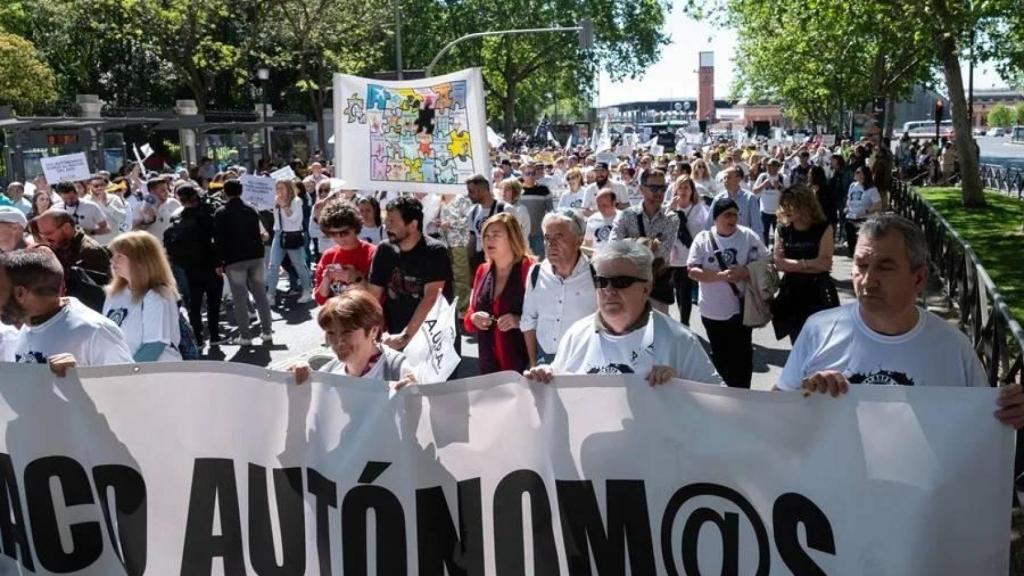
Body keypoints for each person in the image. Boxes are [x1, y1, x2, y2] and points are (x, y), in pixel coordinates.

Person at [778, 214, 1024, 429]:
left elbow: (985, 429)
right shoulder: (818, 330)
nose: (867, 280)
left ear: (919, 278)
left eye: (884, 268)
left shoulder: (954, 349)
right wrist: (804, 398)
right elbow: (773, 412)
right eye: (861, 265)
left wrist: (1014, 413)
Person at [524, 241, 720, 386]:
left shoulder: (679, 340)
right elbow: (559, 392)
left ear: (646, 289)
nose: (609, 290)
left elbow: (719, 400)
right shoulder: (576, 334)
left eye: (620, 282)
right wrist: (547, 376)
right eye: (601, 281)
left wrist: (681, 387)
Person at [0, 247, 132, 371]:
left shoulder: (96, 332)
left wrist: (82, 376)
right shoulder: (29, 325)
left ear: (20, 293)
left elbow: (132, 390)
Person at [688, 197, 768, 388]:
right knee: (721, 355)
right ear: (716, 218)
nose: (733, 219)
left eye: (735, 214)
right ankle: (724, 396)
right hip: (711, 311)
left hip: (741, 309)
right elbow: (692, 271)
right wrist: (721, 276)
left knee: (742, 356)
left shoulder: (748, 236)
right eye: (727, 215)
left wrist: (745, 271)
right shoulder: (703, 239)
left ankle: (743, 394)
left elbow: (765, 262)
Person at [367, 197, 453, 350]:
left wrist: (406, 336)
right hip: (395, 334)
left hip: (433, 338)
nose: (387, 226)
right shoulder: (384, 250)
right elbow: (373, 295)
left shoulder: (435, 251)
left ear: (413, 225)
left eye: (392, 221)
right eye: (386, 220)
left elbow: (431, 298)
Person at [289, 290, 416, 386]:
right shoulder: (330, 371)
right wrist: (300, 376)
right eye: (331, 333)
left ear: (374, 330)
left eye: (347, 332)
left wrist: (418, 395)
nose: (339, 341)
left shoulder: (398, 370)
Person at [521, 210, 595, 367]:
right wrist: (534, 363)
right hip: (544, 360)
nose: (551, 244)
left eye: (559, 238)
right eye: (547, 238)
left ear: (578, 241)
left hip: (584, 361)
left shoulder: (597, 274)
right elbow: (529, 320)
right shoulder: (536, 272)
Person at [463, 213, 534, 374]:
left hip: (522, 367)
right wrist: (474, 318)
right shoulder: (483, 270)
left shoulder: (529, 269)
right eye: (486, 236)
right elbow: (469, 315)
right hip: (488, 367)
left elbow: (545, 318)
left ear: (512, 238)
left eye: (496, 235)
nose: (489, 240)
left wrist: (518, 321)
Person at [102, 232, 183, 362]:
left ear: (140, 261)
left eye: (119, 256)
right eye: (113, 256)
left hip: (154, 376)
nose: (112, 261)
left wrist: (125, 376)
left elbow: (154, 347)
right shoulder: (114, 293)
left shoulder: (156, 296)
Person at [771, 186, 838, 343]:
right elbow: (779, 263)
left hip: (818, 293)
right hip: (792, 294)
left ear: (804, 205)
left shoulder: (823, 228)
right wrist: (809, 264)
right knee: (798, 343)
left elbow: (825, 264)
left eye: (790, 205)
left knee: (820, 343)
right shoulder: (782, 229)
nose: (785, 209)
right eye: (783, 205)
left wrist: (794, 265)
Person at [213, 179, 274, 346]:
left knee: (239, 298)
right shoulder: (251, 209)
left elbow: (218, 240)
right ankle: (267, 332)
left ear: (225, 192)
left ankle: (245, 336)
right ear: (241, 191)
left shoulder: (221, 212)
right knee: (260, 295)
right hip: (255, 256)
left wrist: (219, 262)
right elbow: (262, 232)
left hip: (234, 260)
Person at [609, 168, 679, 314]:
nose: (660, 192)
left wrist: (630, 245)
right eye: (654, 188)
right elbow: (614, 247)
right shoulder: (626, 216)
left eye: (663, 188)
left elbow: (663, 253)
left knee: (656, 332)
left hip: (657, 287)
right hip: (628, 285)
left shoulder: (671, 218)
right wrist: (650, 243)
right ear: (641, 189)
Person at [165, 186, 222, 346]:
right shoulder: (205, 217)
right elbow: (213, 242)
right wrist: (218, 263)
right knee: (213, 303)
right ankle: (215, 336)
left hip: (188, 269)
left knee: (194, 306)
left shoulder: (175, 219)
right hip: (209, 267)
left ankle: (198, 338)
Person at [32, 209, 112, 312]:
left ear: (66, 228)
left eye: (49, 233)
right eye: (43, 234)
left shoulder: (89, 251)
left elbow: (102, 292)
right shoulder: (60, 245)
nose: (46, 239)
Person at [313, 202, 376, 305]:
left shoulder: (373, 253)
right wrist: (326, 279)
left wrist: (356, 278)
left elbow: (378, 298)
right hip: (337, 318)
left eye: (344, 233)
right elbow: (320, 300)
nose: (339, 238)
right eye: (333, 234)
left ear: (355, 228)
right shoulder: (328, 256)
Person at [667, 176, 709, 326]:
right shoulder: (669, 208)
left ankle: (686, 323)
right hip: (674, 259)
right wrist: (671, 211)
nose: (683, 191)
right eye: (681, 187)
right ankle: (679, 324)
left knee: (688, 294)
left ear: (692, 191)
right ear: (675, 190)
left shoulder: (700, 209)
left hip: (692, 258)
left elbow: (706, 232)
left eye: (687, 187)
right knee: (679, 293)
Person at [266, 180, 313, 304]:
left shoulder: (297, 201)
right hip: (279, 234)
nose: (279, 191)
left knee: (298, 264)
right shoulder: (276, 200)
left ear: (288, 189)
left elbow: (293, 219)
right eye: (277, 188)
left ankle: (307, 290)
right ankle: (270, 294)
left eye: (282, 188)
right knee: (273, 265)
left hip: (292, 234)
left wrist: (284, 205)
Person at [705, 166, 764, 240]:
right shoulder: (718, 199)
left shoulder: (750, 198)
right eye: (724, 178)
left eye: (728, 177)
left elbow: (757, 226)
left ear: (738, 179)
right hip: (722, 243)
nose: (725, 181)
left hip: (743, 243)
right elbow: (709, 223)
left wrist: (759, 247)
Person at [466, 173, 507, 277]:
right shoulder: (473, 211)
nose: (468, 194)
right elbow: (472, 240)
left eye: (471, 191)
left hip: (501, 260)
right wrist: (469, 264)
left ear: (482, 190)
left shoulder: (504, 209)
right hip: (480, 260)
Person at [518, 161, 554, 257]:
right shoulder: (517, 191)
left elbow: (551, 211)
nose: (530, 176)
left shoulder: (544, 190)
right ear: (522, 175)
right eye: (527, 173)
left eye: (533, 173)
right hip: (521, 234)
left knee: (539, 262)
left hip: (539, 233)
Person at [844, 165, 883, 252]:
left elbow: (878, 205)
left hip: (863, 218)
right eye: (856, 172)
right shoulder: (853, 185)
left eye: (858, 172)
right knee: (851, 242)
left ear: (864, 175)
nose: (855, 174)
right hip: (851, 216)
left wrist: (866, 211)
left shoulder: (871, 189)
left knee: (862, 241)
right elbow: (849, 198)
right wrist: (847, 207)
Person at [134, 178, 181, 242]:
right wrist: (147, 221)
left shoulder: (173, 203)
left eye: (167, 189)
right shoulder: (140, 207)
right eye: (162, 190)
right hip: (152, 246)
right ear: (152, 192)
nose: (166, 192)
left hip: (171, 246)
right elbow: (136, 230)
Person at [86, 174, 127, 245]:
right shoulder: (85, 201)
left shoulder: (114, 198)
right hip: (93, 244)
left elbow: (122, 219)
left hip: (113, 243)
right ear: (89, 186)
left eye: (102, 185)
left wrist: (106, 205)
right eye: (96, 186)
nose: (100, 188)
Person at [752, 158, 785, 246]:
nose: (770, 169)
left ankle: (776, 253)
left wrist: (779, 187)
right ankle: (765, 252)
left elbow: (788, 194)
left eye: (773, 167)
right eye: (768, 166)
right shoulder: (762, 176)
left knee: (778, 235)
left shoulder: (782, 177)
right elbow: (754, 191)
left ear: (778, 168)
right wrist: (763, 185)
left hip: (778, 212)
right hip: (764, 211)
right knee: (764, 234)